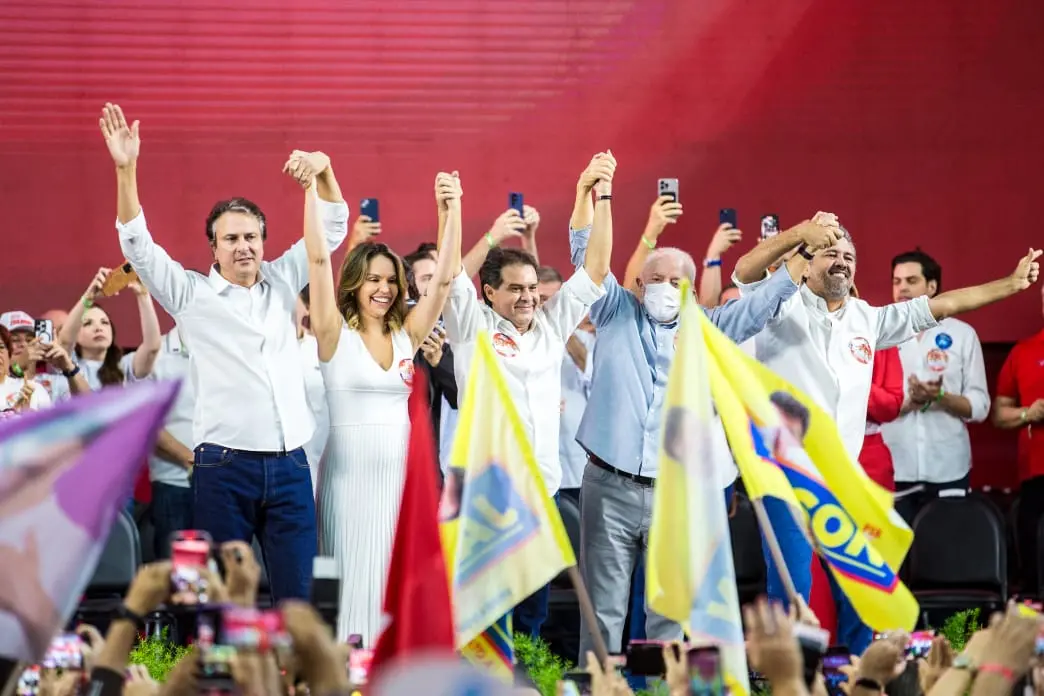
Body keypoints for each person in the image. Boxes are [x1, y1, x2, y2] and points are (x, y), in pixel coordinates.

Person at [731, 215, 1041, 654]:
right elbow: (743, 273)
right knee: (795, 587)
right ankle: (790, 679)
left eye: (849, 257)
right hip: (787, 473)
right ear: (806, 262)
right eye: (831, 253)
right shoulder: (779, 306)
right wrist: (801, 233)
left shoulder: (868, 319)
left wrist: (1008, 285)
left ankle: (858, 672)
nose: (841, 262)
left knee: (861, 588)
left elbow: (944, 306)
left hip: (845, 480)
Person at [99, 102, 349, 601]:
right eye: (230, 238)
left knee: (297, 598)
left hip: (291, 466)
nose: (243, 247)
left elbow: (335, 226)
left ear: (263, 241)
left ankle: (295, 681)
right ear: (212, 247)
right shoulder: (190, 294)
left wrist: (325, 167)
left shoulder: (282, 279)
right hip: (222, 468)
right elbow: (139, 246)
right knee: (221, 604)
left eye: (252, 237)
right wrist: (126, 170)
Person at [567, 184, 805, 663]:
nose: (661, 288)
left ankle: (661, 691)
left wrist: (806, 252)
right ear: (638, 284)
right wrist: (591, 194)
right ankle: (601, 691)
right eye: (652, 279)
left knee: (669, 612)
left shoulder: (709, 328)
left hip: (676, 490)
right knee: (603, 610)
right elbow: (586, 261)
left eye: (673, 282)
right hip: (608, 484)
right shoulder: (613, 311)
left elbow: (761, 305)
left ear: (692, 292)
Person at [443, 153, 613, 640]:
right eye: (514, 289)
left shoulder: (552, 327)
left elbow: (597, 268)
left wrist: (600, 195)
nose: (527, 297)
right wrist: (486, 230)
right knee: (484, 619)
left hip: (542, 490)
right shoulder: (470, 325)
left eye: (532, 289)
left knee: (531, 619)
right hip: (486, 494)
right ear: (490, 292)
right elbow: (452, 278)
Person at [304, 168, 462, 643]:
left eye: (391, 280)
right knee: (349, 594)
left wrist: (452, 210)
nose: (384, 288)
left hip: (402, 482)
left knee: (396, 592)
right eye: (372, 279)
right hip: (347, 481)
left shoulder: (406, 334)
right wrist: (310, 189)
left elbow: (447, 281)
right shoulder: (332, 331)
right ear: (353, 282)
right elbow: (316, 258)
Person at [881, 250, 990, 522]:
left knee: (945, 559)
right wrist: (907, 402)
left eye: (911, 280)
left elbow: (980, 406)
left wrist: (941, 397)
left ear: (932, 286)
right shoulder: (878, 333)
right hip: (893, 467)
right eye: (896, 281)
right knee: (894, 562)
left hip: (948, 468)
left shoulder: (962, 334)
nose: (902, 287)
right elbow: (861, 401)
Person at [56, 268, 162, 390]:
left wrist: (143, 295)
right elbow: (65, 341)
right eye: (88, 323)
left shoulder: (124, 366)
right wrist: (88, 297)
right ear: (76, 335)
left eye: (105, 323)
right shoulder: (66, 363)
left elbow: (152, 348)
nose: (98, 328)